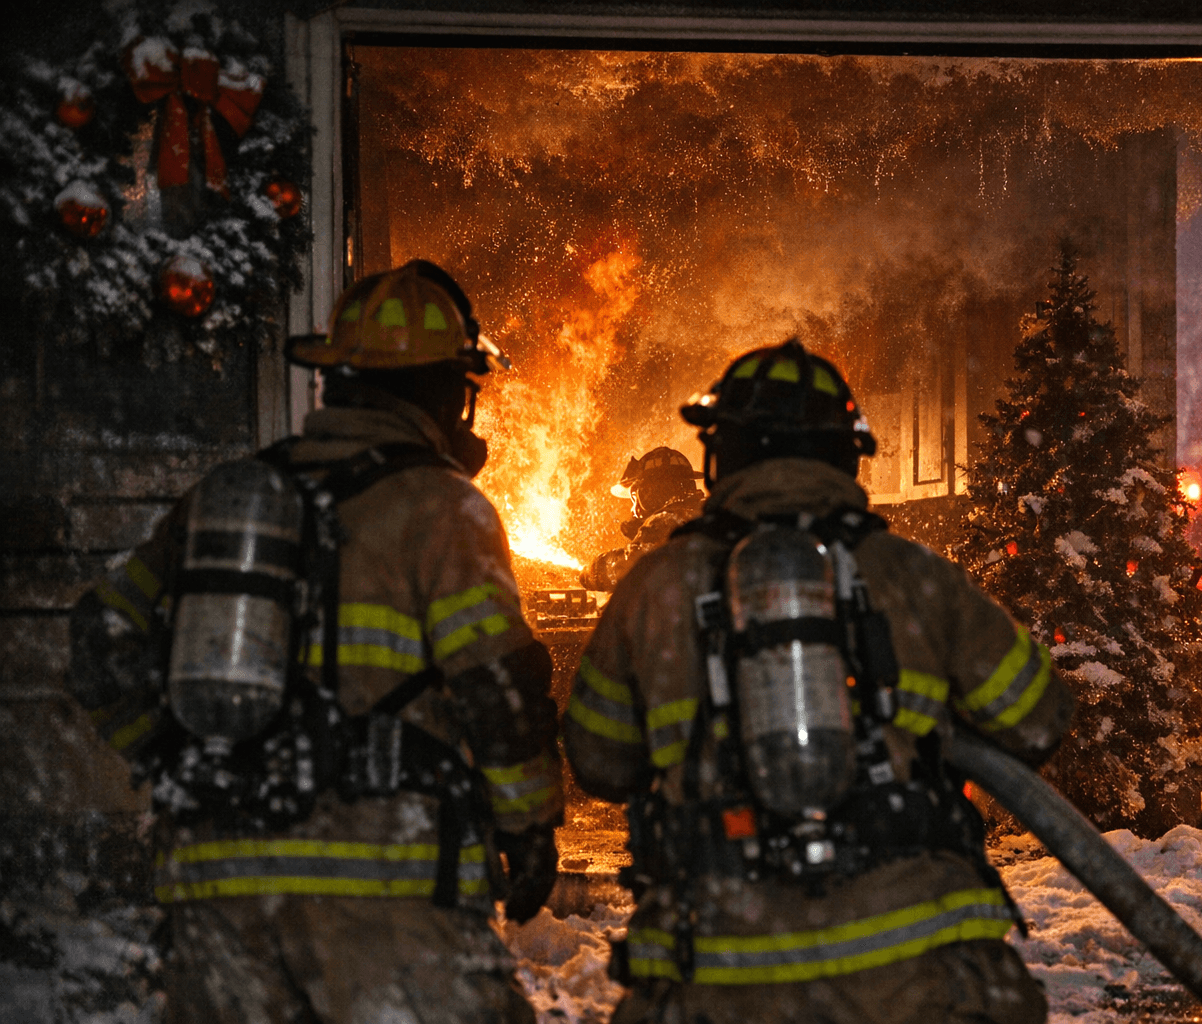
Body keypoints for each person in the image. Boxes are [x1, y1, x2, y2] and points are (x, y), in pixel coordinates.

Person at [69, 261, 562, 1024]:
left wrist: (172, 755)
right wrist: (529, 829)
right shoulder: (442, 508)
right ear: (449, 393)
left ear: (335, 383)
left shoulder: (229, 496)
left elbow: (102, 636)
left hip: (217, 886)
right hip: (380, 889)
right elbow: (500, 693)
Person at [564, 338, 1074, 1024]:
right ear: (846, 455)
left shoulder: (654, 586)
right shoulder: (915, 576)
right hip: (916, 979)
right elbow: (1039, 719)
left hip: (717, 977)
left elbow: (598, 761)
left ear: (722, 457)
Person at [580, 447, 705, 592]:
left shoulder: (664, 520)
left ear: (648, 492)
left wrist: (595, 572)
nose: (633, 509)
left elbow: (631, 568)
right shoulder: (700, 515)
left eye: (634, 498)